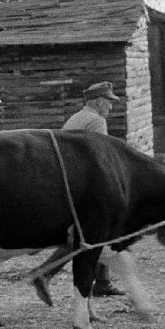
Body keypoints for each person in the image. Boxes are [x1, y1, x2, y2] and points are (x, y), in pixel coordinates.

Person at [31, 81, 125, 306]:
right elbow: (100, 158)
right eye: (109, 102)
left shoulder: (77, 117)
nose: (111, 108)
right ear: (99, 101)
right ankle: (45, 273)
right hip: (81, 185)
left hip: (65, 179)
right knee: (89, 233)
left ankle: (102, 281)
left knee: (96, 232)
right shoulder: (96, 121)